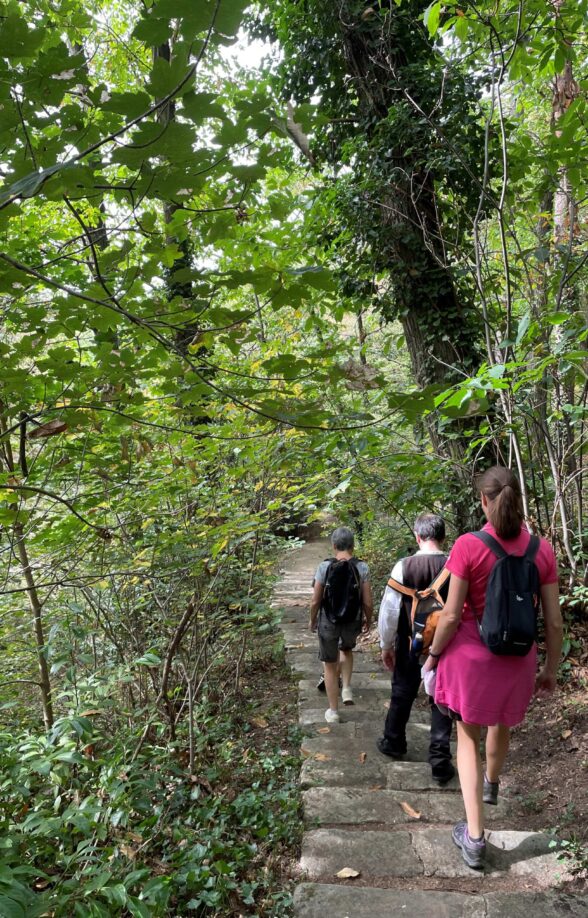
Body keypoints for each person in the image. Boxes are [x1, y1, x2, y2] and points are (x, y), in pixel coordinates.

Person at [423, 466, 563, 870]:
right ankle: (493, 783)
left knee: (467, 736)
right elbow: (553, 622)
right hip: (518, 660)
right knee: (501, 723)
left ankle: (475, 837)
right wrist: (549, 669)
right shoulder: (543, 550)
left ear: (484, 501)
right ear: (517, 498)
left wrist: (432, 657)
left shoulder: (468, 545)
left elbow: (449, 617)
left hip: (472, 659)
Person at [376, 513, 455, 785]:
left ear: (418, 537)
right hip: (444, 646)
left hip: (409, 643)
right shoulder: (454, 566)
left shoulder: (404, 567)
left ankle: (393, 741)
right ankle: (440, 761)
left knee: (402, 691)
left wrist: (386, 645)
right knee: (441, 699)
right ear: (444, 537)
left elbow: (389, 610)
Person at [309, 527, 373, 723]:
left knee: (329, 664)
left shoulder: (324, 567)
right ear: (353, 546)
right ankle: (346, 689)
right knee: (346, 649)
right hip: (352, 619)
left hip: (328, 620)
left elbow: (315, 600)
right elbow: (368, 602)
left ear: (334, 546)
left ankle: (333, 711)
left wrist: (312, 620)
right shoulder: (362, 567)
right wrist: (368, 620)